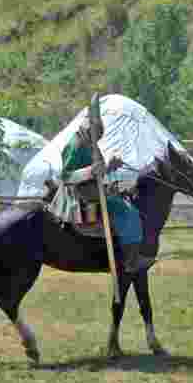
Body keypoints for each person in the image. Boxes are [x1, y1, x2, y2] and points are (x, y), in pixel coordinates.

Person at [48, 117, 155, 274]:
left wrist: (110, 167)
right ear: (87, 129)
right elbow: (65, 177)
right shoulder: (76, 145)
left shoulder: (89, 144)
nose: (98, 137)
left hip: (92, 191)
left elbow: (99, 172)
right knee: (129, 212)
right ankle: (131, 261)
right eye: (96, 133)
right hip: (79, 197)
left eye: (100, 134)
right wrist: (91, 170)